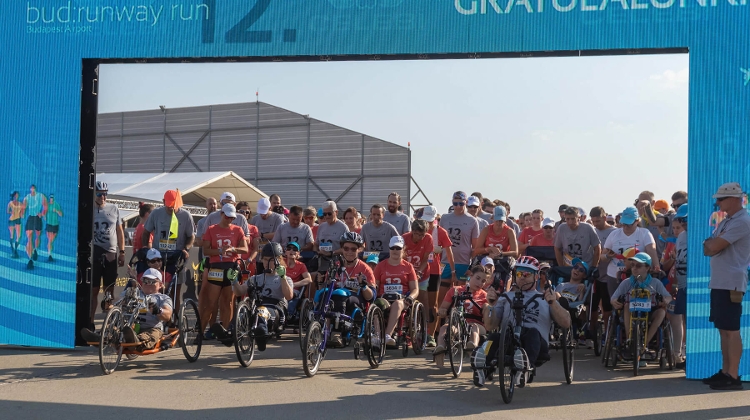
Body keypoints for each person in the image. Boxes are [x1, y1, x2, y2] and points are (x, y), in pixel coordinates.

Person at [471, 256, 570, 387]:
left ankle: (523, 369)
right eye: (519, 273)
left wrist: (553, 304)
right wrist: (491, 305)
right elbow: (490, 325)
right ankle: (483, 367)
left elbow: (566, 323)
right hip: (509, 340)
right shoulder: (505, 297)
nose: (522, 277)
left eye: (527, 274)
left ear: (536, 276)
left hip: (535, 343)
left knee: (532, 334)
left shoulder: (544, 297)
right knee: (494, 336)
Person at [702, 182, 750, 390]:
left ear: (733, 199)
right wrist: (711, 245)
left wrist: (711, 244)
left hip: (731, 281)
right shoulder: (728, 221)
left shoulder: (742, 221)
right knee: (723, 328)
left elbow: (713, 246)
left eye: (721, 199)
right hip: (722, 280)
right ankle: (725, 371)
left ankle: (733, 374)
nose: (717, 202)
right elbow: (709, 247)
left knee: (731, 329)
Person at [81, 268, 174, 351]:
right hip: (129, 326)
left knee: (150, 336)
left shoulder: (163, 298)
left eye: (151, 281)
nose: (147, 284)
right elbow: (115, 304)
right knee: (114, 329)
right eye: (145, 280)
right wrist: (108, 305)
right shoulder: (132, 292)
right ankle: (101, 337)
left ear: (160, 284)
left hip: (151, 327)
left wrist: (158, 310)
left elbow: (168, 315)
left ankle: (135, 340)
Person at [610, 252, 671, 366]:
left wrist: (666, 300)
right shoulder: (627, 282)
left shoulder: (655, 283)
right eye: (632, 265)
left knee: (662, 312)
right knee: (627, 305)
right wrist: (614, 302)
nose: (634, 268)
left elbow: (668, 296)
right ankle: (630, 341)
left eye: (638, 266)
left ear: (647, 267)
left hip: (650, 312)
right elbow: (613, 298)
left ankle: (644, 345)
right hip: (631, 312)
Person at [229, 242, 293, 351]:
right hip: (257, 308)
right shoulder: (255, 278)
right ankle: (229, 334)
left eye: (271, 260)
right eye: (265, 259)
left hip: (276, 310)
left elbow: (289, 296)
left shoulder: (285, 279)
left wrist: (282, 277)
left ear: (278, 260)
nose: (268, 263)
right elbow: (239, 292)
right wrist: (233, 281)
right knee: (243, 313)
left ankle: (261, 334)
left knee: (262, 311)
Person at [199, 203, 248, 337]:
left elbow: (245, 249)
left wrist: (232, 249)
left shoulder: (238, 230)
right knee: (210, 303)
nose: (229, 220)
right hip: (216, 267)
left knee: (228, 302)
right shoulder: (211, 229)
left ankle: (226, 332)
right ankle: (201, 333)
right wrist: (220, 250)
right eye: (227, 217)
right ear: (221, 214)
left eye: (232, 218)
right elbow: (206, 250)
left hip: (231, 267)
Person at [142, 190, 195, 313]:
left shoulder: (186, 216)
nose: (172, 208)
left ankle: (173, 320)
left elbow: (191, 236)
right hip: (158, 257)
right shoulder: (156, 213)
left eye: (174, 206)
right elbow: (146, 232)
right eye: (169, 206)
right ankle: (156, 317)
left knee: (174, 291)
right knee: (157, 289)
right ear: (163, 202)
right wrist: (146, 248)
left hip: (177, 257)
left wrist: (186, 248)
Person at [433, 266, 489, 367]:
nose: (480, 283)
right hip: (457, 323)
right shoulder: (455, 290)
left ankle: (473, 347)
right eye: (477, 278)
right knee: (445, 328)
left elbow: (489, 316)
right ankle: (440, 349)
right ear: (470, 276)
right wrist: (442, 311)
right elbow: (443, 308)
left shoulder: (484, 296)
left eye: (483, 281)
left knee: (473, 327)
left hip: (476, 323)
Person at [88, 181, 125, 329]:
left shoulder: (114, 208)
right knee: (94, 290)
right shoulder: (90, 209)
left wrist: (121, 251)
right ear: (94, 194)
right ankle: (90, 322)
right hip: (95, 251)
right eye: (99, 194)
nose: (102, 197)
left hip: (110, 252)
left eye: (105, 194)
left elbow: (120, 231)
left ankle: (109, 325)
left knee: (109, 290)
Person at [602, 206, 661, 296]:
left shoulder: (644, 233)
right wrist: (607, 256)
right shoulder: (614, 234)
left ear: (637, 221)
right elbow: (603, 256)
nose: (625, 226)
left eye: (629, 224)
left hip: (638, 276)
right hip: (614, 275)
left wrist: (656, 267)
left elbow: (652, 252)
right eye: (624, 223)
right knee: (616, 305)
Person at [374, 235, 419, 346]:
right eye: (393, 248)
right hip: (384, 297)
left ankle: (387, 335)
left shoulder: (408, 267)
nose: (395, 250)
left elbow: (415, 289)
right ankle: (377, 336)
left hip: (402, 299)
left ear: (403, 249)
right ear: (389, 248)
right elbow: (375, 285)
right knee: (377, 304)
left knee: (398, 305)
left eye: (398, 248)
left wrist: (410, 297)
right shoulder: (380, 266)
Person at [419, 205, 454, 345]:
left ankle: (431, 335)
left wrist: (453, 271)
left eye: (430, 221)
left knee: (433, 305)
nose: (427, 223)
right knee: (420, 303)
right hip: (420, 270)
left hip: (434, 271)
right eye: (425, 220)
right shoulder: (418, 229)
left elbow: (449, 253)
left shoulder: (441, 232)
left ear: (435, 219)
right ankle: (419, 332)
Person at [403, 219, 434, 345]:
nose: (419, 237)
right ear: (412, 232)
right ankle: (406, 330)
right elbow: (402, 257)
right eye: (417, 234)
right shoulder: (404, 238)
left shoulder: (428, 239)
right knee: (406, 299)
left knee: (423, 299)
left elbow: (426, 259)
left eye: (422, 234)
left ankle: (425, 330)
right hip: (407, 273)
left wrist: (419, 272)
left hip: (422, 273)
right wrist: (409, 273)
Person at [439, 191, 480, 284]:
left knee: (460, 292)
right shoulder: (445, 218)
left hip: (463, 262)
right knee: (443, 291)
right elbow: (439, 241)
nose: (458, 206)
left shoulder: (472, 220)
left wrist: (471, 267)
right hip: (445, 261)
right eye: (455, 203)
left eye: (461, 203)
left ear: (466, 203)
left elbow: (475, 247)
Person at [664, 204, 687, 369]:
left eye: (685, 219)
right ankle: (678, 354)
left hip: (696, 285)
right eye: (680, 219)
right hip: (682, 285)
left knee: (688, 321)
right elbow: (678, 262)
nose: (682, 223)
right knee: (678, 318)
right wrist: (676, 284)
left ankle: (686, 354)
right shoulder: (681, 237)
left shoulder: (700, 234)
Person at [589, 206, 616, 339]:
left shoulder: (615, 232)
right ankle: (591, 332)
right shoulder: (592, 231)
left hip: (608, 276)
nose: (595, 224)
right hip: (594, 275)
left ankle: (608, 333)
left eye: (598, 221)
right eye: (593, 221)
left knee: (607, 308)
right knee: (592, 307)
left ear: (605, 218)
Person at [555, 258, 589, 344]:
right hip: (559, 304)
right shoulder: (561, 285)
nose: (577, 270)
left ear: (584, 275)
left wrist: (583, 290)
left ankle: (573, 336)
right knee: (555, 293)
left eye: (581, 270)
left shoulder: (582, 286)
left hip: (573, 306)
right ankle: (562, 300)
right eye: (575, 267)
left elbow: (581, 302)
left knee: (573, 309)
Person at [314, 201, 349, 280]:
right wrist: (316, 251)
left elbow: (346, 247)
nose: (327, 216)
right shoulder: (321, 226)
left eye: (329, 214)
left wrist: (331, 253)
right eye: (324, 214)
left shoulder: (343, 227)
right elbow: (316, 243)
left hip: (336, 261)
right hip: (322, 261)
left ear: (336, 212)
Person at [23, 184, 48, 269]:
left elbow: (45, 206)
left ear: (35, 189)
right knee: (29, 238)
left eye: (34, 189)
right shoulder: (27, 197)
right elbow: (24, 207)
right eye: (31, 189)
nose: (32, 190)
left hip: (37, 218)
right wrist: (21, 212)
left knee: (37, 236)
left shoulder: (41, 196)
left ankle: (35, 250)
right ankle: (30, 260)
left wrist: (42, 213)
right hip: (31, 218)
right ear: (30, 189)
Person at [43, 194, 63, 262]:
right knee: (50, 240)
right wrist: (45, 217)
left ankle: (49, 254)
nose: (51, 199)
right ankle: (49, 255)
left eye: (52, 198)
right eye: (50, 197)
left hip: (55, 225)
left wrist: (56, 211)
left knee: (51, 240)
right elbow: (43, 213)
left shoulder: (56, 204)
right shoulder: (47, 205)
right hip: (49, 225)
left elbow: (61, 214)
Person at [7, 191, 23, 259]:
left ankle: (15, 250)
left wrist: (22, 214)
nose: (17, 196)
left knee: (18, 236)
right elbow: (7, 211)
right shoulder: (10, 203)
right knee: (12, 236)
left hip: (18, 220)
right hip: (12, 220)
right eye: (16, 195)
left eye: (18, 195)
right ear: (13, 196)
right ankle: (13, 251)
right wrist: (11, 212)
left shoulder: (20, 203)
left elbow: (22, 212)